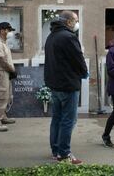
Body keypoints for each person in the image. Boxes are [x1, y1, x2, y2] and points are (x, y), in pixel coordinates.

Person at [44, 11, 87, 164]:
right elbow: (78, 59)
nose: (77, 23)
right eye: (75, 20)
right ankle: (64, 154)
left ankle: (56, 151)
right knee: (68, 120)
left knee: (56, 119)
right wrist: (84, 73)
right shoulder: (69, 37)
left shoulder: (51, 36)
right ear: (68, 22)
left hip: (55, 85)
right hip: (68, 84)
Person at [0, 22, 17, 132]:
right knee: (0, 97)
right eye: (8, 30)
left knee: (6, 96)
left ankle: (2, 117)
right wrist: (12, 70)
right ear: (2, 30)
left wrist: (10, 71)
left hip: (5, 72)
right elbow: (2, 61)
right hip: (1, 72)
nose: (9, 32)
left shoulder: (3, 43)